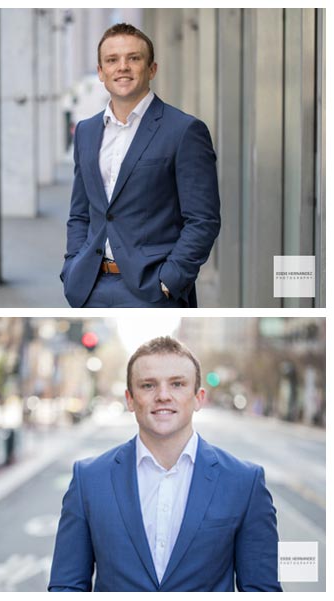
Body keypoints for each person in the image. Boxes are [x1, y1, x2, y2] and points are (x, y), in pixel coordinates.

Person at [48, 336, 281, 591]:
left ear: (198, 398)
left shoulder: (244, 483)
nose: (163, 396)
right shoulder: (88, 479)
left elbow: (262, 590)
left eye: (178, 384)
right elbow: (66, 587)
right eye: (148, 385)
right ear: (130, 399)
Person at [60, 23, 221, 308]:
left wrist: (171, 280)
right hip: (89, 286)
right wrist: (72, 265)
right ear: (101, 72)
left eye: (133, 58)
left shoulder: (184, 131)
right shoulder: (85, 132)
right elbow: (80, 212)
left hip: (151, 291)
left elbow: (203, 220)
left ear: (152, 69)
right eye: (112, 60)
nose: (122, 67)